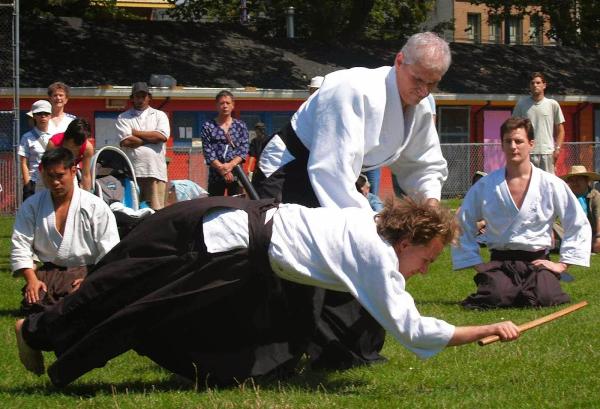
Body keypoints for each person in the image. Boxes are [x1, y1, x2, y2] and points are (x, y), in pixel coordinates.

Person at [14, 196, 520, 385]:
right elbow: (412, 328)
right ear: (407, 239)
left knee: (128, 291)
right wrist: (482, 330)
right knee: (128, 298)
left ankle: (42, 332)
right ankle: (35, 330)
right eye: (426, 259)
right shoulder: (374, 255)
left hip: (231, 223)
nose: (426, 271)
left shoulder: (369, 221)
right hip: (222, 245)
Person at [252, 31, 450, 369]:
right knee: (296, 260)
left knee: (357, 258)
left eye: (432, 85)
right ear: (399, 61)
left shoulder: (421, 105)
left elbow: (422, 164)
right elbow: (330, 169)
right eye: (418, 80)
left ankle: (344, 350)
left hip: (336, 174)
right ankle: (271, 353)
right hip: (292, 172)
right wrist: (370, 230)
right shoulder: (351, 89)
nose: (422, 91)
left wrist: (430, 205)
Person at [452, 117, 591, 309]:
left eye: (519, 141)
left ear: (531, 144)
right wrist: (475, 262)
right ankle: (504, 286)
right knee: (495, 297)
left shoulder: (550, 184)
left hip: (538, 260)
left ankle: (530, 286)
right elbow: (461, 222)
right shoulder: (486, 185)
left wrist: (562, 265)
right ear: (501, 145)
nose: (513, 146)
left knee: (546, 297)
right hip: (501, 261)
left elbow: (577, 223)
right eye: (508, 141)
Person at [11, 148, 119, 314]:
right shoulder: (32, 206)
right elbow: (20, 244)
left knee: (84, 302)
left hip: (87, 271)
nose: (55, 182)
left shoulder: (94, 206)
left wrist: (91, 280)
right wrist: (31, 279)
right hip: (49, 273)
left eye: (60, 175)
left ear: (73, 171)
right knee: (35, 301)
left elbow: (110, 251)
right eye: (50, 176)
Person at [116, 82, 170, 210]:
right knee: (134, 211)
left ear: (149, 97)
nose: (140, 99)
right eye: (137, 96)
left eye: (143, 96)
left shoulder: (159, 115)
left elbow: (161, 137)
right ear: (132, 98)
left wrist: (136, 133)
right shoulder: (123, 118)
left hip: (155, 172)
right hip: (132, 173)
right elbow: (126, 142)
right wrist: (151, 139)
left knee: (157, 212)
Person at [512, 72, 565, 174]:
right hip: (527, 153)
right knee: (527, 184)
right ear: (530, 86)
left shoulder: (552, 104)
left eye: (538, 83)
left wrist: (557, 149)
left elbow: (561, 130)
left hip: (547, 153)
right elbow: (514, 129)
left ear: (544, 85)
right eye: (532, 83)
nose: (535, 85)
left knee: (548, 186)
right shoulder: (521, 105)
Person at [200, 90, 249, 197]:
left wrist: (230, 165)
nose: (225, 106)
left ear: (233, 106)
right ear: (216, 106)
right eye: (222, 103)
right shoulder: (208, 126)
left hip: (236, 175)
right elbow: (208, 151)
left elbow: (244, 149)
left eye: (228, 103)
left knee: (237, 209)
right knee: (215, 208)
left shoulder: (240, 126)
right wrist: (223, 170)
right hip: (216, 175)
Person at [18, 100, 53, 201]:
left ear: (50, 115)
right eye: (39, 114)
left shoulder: (56, 134)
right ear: (34, 116)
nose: (43, 116)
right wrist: (27, 184)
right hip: (34, 181)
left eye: (46, 113)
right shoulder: (27, 137)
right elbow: (23, 162)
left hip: (51, 180)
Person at [47, 118, 94, 191]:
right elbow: (45, 169)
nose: (77, 147)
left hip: (69, 173)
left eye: (80, 143)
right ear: (68, 136)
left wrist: (87, 195)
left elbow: (86, 175)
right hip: (49, 174)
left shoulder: (87, 148)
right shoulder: (54, 143)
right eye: (74, 143)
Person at [560, 165, 600, 253]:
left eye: (578, 179)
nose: (574, 183)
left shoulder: (595, 195)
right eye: (572, 180)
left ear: (587, 181)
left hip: (589, 233)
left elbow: (598, 217)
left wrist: (598, 237)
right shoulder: (564, 196)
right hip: (568, 233)